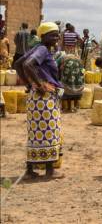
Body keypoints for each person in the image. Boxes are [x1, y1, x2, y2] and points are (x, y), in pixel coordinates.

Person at [13, 22, 64, 180]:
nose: (56, 37)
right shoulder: (42, 49)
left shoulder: (38, 49)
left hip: (36, 98)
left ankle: (30, 170)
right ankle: (49, 171)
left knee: (36, 133)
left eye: (57, 34)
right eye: (52, 34)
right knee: (49, 131)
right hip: (44, 98)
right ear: (43, 36)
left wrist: (29, 84)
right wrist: (40, 84)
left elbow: (17, 64)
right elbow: (27, 65)